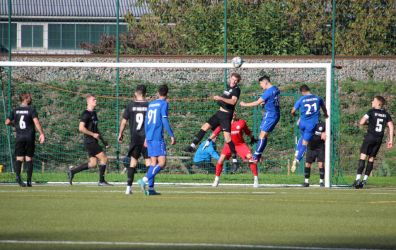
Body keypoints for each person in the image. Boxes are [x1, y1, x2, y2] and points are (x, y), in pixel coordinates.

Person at [184, 73, 242, 170]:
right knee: (204, 127)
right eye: (232, 79)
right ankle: (192, 146)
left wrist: (220, 98)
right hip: (219, 113)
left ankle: (235, 161)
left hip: (226, 116)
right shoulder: (228, 88)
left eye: (235, 80)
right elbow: (225, 101)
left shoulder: (236, 90)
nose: (233, 81)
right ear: (230, 79)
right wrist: (218, 99)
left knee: (228, 139)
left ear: (237, 82)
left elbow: (232, 102)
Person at [138, 85, 175, 195]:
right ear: (167, 94)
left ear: (158, 93)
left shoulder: (151, 104)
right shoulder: (164, 104)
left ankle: (151, 189)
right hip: (157, 137)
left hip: (149, 136)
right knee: (162, 163)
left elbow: (147, 121)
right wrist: (171, 135)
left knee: (153, 163)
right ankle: (144, 180)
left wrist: (146, 137)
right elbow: (164, 120)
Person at [67, 94, 112, 186]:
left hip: (93, 141)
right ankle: (101, 181)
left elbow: (96, 130)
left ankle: (72, 171)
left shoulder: (94, 113)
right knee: (104, 158)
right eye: (93, 100)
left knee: (93, 163)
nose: (96, 101)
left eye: (95, 99)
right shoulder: (85, 114)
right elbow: (81, 128)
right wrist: (92, 134)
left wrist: (103, 141)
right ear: (88, 102)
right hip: (89, 141)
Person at [205, 112, 258, 187]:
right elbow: (216, 132)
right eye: (232, 112)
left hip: (240, 145)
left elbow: (247, 131)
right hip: (228, 145)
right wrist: (208, 140)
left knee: (250, 158)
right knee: (220, 160)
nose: (234, 113)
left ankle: (256, 180)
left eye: (235, 112)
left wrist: (252, 138)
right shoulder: (224, 123)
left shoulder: (241, 122)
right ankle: (216, 180)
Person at [353, 96, 393, 189]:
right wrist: (391, 140)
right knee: (371, 159)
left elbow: (362, 122)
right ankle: (363, 182)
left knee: (362, 157)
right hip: (378, 139)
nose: (372, 102)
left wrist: (369, 123)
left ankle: (357, 180)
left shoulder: (371, 111)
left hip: (370, 137)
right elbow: (391, 126)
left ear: (378, 103)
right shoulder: (386, 114)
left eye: (373, 101)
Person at [5, 93, 45, 187]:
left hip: (19, 137)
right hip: (29, 137)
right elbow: (36, 122)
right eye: (30, 97)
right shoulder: (31, 109)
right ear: (26, 99)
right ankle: (29, 181)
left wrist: (15, 125)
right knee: (28, 158)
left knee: (19, 158)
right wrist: (42, 133)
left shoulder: (15, 110)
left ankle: (18, 177)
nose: (31, 98)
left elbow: (7, 122)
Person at [118, 85, 151, 195]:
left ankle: (128, 188)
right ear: (145, 93)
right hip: (146, 138)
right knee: (149, 162)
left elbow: (123, 122)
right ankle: (150, 187)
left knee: (133, 162)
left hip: (135, 138)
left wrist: (120, 133)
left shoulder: (131, 105)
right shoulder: (149, 105)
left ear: (136, 93)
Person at [240, 75, 280, 163]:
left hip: (270, 115)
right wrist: (265, 103)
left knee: (262, 136)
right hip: (274, 114)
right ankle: (258, 155)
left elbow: (257, 102)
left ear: (265, 82)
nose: (261, 86)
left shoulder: (268, 92)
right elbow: (272, 99)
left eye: (261, 84)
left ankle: (255, 157)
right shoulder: (276, 89)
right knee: (263, 135)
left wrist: (244, 104)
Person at [291, 84, 328, 172]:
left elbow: (292, 111)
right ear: (308, 90)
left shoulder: (301, 99)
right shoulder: (318, 98)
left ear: (302, 92)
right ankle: (297, 159)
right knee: (305, 143)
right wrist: (326, 115)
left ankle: (297, 151)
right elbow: (324, 109)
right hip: (311, 125)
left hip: (301, 123)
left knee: (302, 137)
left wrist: (295, 115)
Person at [303, 121, 326, 187]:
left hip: (320, 147)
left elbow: (328, 133)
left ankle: (321, 182)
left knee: (321, 164)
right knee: (307, 163)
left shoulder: (323, 124)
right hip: (311, 146)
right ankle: (306, 181)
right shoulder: (308, 122)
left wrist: (325, 133)